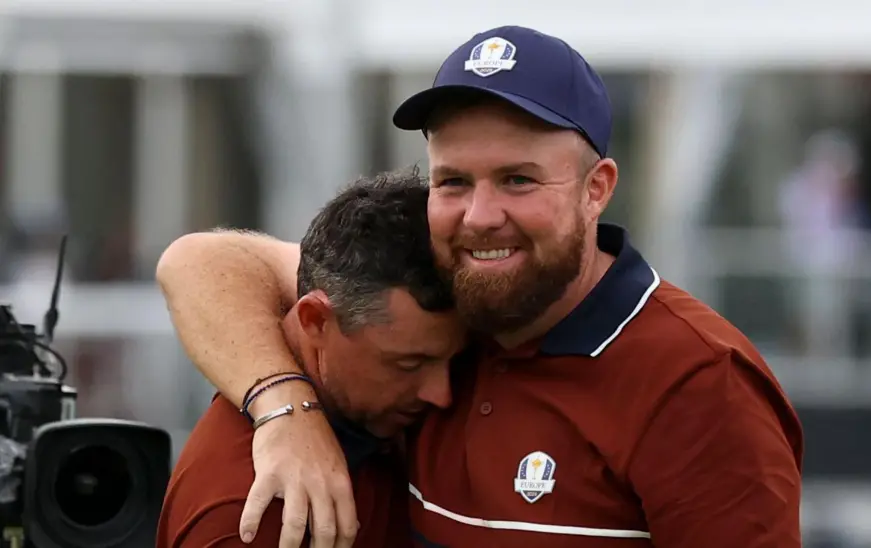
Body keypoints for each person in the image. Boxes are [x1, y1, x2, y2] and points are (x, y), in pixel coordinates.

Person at [157, 25, 804, 548]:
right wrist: (284, 409)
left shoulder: (699, 382)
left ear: (596, 189)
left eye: (518, 180)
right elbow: (199, 261)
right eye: (454, 182)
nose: (481, 215)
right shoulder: (444, 305)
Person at [156, 169, 467, 548]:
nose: (442, 394)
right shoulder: (254, 515)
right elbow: (193, 260)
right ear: (316, 321)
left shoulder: (371, 415)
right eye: (408, 365)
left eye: (456, 361)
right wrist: (285, 407)